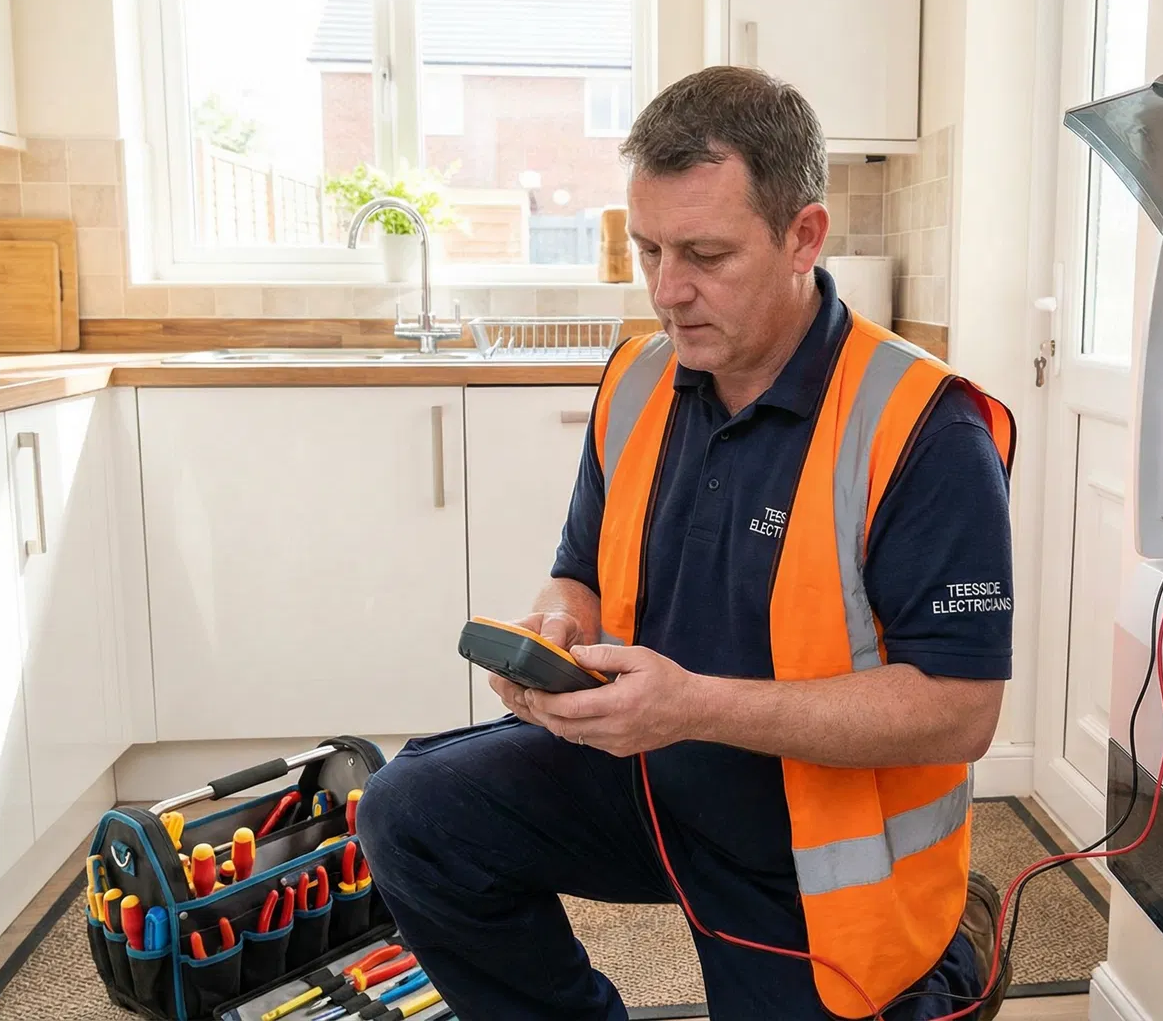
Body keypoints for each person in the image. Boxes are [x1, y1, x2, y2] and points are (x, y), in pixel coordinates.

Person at [361, 65, 1018, 1021]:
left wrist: (694, 708)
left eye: (706, 254)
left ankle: (942, 953)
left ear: (803, 238)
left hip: (814, 851)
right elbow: (579, 571)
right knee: (409, 812)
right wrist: (557, 630)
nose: (669, 291)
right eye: (649, 248)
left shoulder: (925, 426)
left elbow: (961, 714)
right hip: (652, 781)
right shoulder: (636, 379)